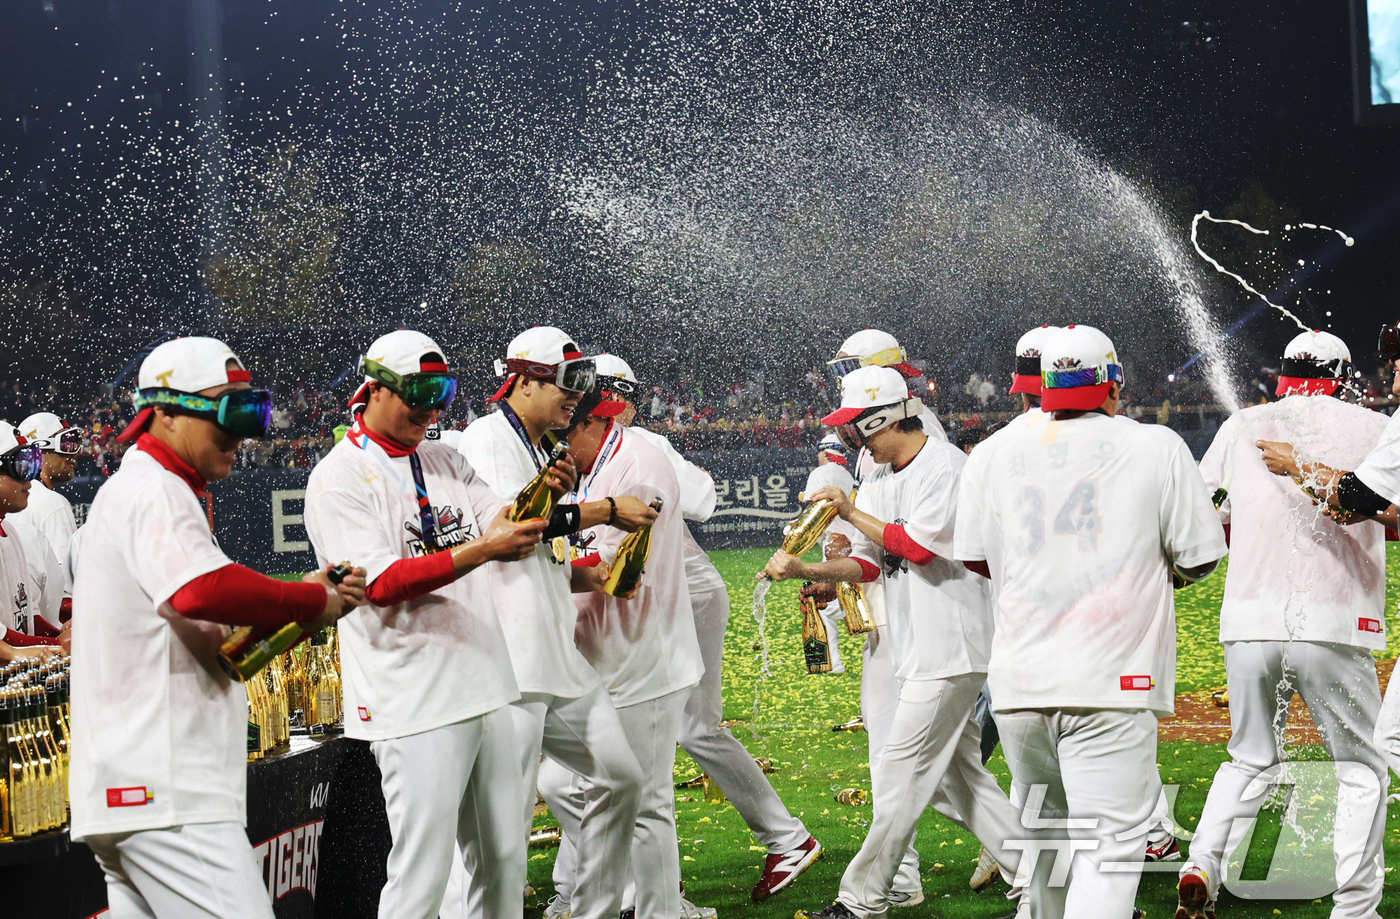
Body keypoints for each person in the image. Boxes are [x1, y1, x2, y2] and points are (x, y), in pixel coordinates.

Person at [67, 337, 366, 919]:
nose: (244, 433)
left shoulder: (152, 486)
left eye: (250, 412)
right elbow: (200, 590)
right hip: (166, 792)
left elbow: (223, 651)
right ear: (167, 411)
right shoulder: (153, 487)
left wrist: (308, 607)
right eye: (229, 413)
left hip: (140, 793)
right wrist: (308, 599)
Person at [954, 324, 1226, 919]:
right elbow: (1200, 558)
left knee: (1048, 858)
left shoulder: (993, 451)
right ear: (1112, 384)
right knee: (1107, 858)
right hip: (1111, 682)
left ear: (1043, 387)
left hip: (1020, 683)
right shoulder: (1155, 445)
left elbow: (976, 557)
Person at [303, 330, 551, 919]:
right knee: (422, 873)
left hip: (484, 682)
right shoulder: (338, 476)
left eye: (442, 392)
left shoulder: (444, 456)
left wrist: (545, 493)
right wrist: (481, 551)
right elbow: (378, 585)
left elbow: (506, 524)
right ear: (373, 388)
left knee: (503, 863)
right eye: (417, 391)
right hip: (411, 697)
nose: (431, 407)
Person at [764, 366, 1027, 919]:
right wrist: (804, 567)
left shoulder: (946, 466)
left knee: (900, 772)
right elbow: (866, 563)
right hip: (917, 649)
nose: (852, 441)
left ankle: (860, 900)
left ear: (884, 418)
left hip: (952, 645)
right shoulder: (881, 480)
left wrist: (848, 507)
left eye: (857, 429)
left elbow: (917, 547)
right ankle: (1045, 878)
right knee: (963, 782)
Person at [586, 354, 823, 904]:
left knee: (678, 732)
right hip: (666, 598)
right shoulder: (603, 449)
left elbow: (704, 501)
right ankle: (659, 878)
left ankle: (657, 883)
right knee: (666, 735)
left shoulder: (636, 446)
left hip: (681, 597)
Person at [1180, 330, 1389, 919]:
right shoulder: (1373, 426)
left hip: (1248, 618)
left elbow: (1203, 517)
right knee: (1361, 769)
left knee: (1248, 757)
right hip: (1335, 619)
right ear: (1343, 377)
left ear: (1284, 375)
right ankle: (1356, 908)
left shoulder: (1245, 422)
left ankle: (1203, 865)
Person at [456, 326, 652, 919]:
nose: (578, 395)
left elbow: (539, 548)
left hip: (553, 651)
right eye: (568, 382)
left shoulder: (541, 446)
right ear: (522, 380)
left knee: (621, 780)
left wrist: (583, 576)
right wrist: (605, 509)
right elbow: (511, 530)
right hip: (508, 656)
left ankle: (593, 910)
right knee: (501, 836)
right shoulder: (487, 440)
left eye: (583, 382)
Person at [538, 391, 705, 919]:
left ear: (592, 421)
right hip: (600, 655)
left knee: (647, 803)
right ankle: (629, 895)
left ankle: (660, 911)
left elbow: (612, 567)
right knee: (560, 783)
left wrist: (537, 566)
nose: (555, 444)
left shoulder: (640, 462)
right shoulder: (590, 466)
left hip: (645, 656)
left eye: (564, 430)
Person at [824, 327, 949, 904]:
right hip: (897, 618)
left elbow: (916, 545)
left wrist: (854, 522)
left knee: (906, 760)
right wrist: (834, 561)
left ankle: (890, 883)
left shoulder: (927, 448)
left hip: (927, 624)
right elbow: (874, 546)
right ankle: (1025, 862)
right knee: (952, 772)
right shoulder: (880, 452)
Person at [0, 421, 62, 662]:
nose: (31, 479)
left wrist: (58, 637)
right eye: (20, 467)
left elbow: (24, 617)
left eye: (33, 464)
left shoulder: (11, 532)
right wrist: (57, 645)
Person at [803, 432, 857, 675]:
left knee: (820, 601)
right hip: (854, 542)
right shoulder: (848, 475)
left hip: (835, 543)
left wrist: (795, 538)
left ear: (824, 452)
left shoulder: (821, 473)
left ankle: (829, 663)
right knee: (845, 599)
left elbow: (815, 512)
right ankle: (830, 662)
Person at [13, 411, 82, 595]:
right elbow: (70, 585)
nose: (73, 453)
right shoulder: (52, 503)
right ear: (39, 450)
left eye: (74, 444)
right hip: (52, 621)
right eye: (65, 445)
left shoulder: (11, 501)